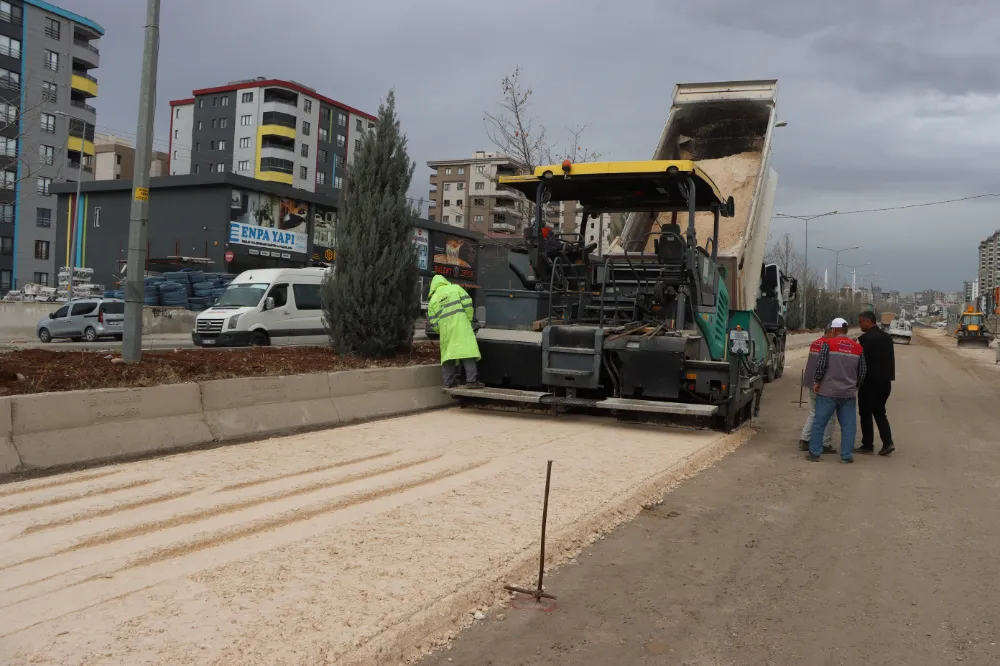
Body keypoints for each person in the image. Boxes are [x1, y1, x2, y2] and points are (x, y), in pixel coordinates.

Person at [808, 317, 866, 463]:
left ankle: (815, 453)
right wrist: (855, 386)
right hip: (848, 393)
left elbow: (821, 365)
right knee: (848, 426)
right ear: (846, 330)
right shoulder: (857, 347)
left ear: (833, 330)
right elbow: (863, 371)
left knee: (819, 423)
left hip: (828, 391)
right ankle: (846, 456)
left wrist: (817, 381)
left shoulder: (828, 344)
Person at [427, 275, 483, 389]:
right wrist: (468, 318)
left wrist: (441, 330)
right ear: (444, 281)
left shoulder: (432, 300)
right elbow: (468, 303)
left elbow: (433, 321)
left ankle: (449, 382)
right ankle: (471, 381)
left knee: (448, 355)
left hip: (446, 330)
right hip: (461, 324)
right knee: (467, 352)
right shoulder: (455, 288)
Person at [857, 310, 896, 456]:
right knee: (880, 412)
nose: (860, 325)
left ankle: (867, 445)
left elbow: (861, 363)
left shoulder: (865, 339)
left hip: (869, 383)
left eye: (861, 322)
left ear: (868, 322)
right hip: (885, 383)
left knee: (865, 413)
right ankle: (887, 442)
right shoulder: (887, 338)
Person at [798, 326, 838, 453]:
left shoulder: (816, 343)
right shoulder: (828, 345)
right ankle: (826, 444)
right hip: (822, 384)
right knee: (830, 415)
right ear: (831, 331)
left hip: (811, 382)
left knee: (813, 412)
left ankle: (805, 440)